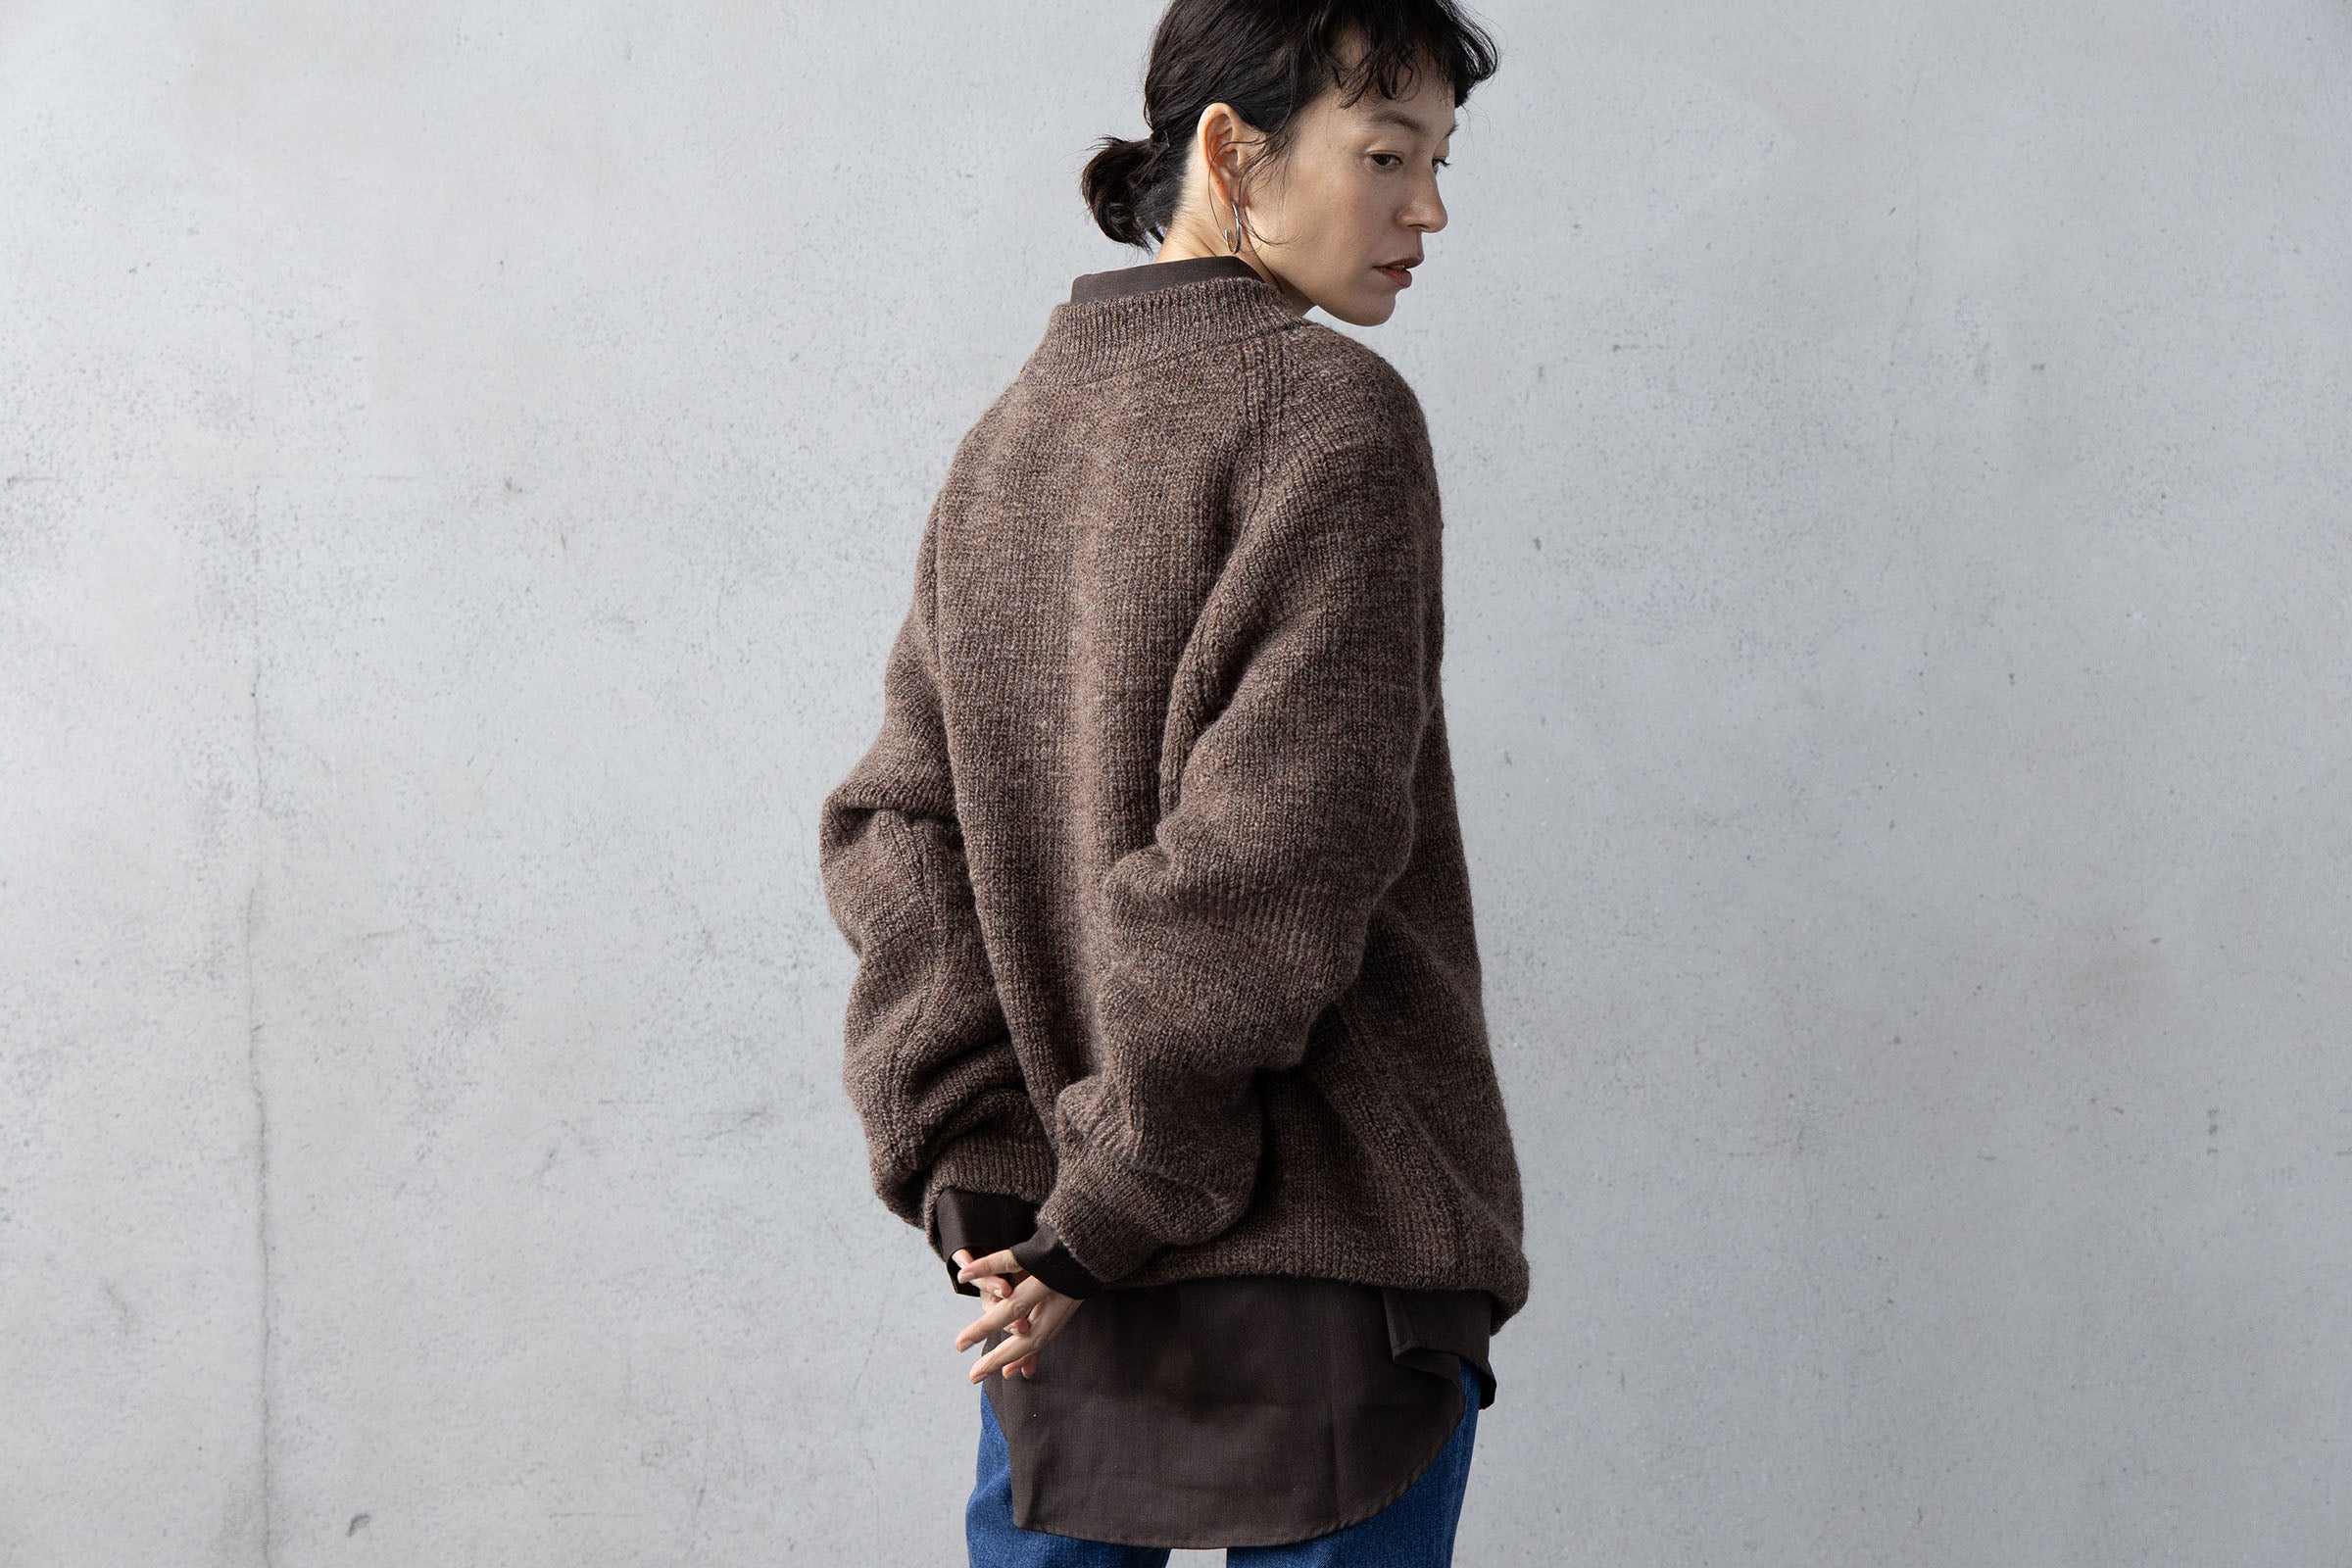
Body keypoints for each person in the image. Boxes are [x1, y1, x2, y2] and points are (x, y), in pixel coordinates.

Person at [816, 3, 1526, 1561]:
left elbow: (901, 836)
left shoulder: (1009, 440)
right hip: (1324, 1249)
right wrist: (1107, 1194)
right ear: (1231, 151)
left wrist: (989, 1177)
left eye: (1440, 162)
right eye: (1386, 156)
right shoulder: (1329, 413)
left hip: (1065, 1262)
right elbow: (1277, 859)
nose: (1428, 210)